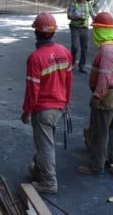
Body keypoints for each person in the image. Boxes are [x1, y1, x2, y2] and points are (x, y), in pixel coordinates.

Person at [22, 12, 73, 194]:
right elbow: (68, 81)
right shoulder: (64, 52)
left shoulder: (35, 58)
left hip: (43, 109)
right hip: (58, 107)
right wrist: (66, 102)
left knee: (45, 146)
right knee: (47, 142)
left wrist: (27, 111)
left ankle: (49, 182)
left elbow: (32, 90)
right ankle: (38, 170)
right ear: (53, 32)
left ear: (36, 32)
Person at [77, 12, 113, 175]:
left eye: (96, 29)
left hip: (106, 95)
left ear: (100, 31)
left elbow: (104, 75)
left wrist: (97, 96)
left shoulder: (106, 50)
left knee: (100, 131)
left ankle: (96, 165)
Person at [67, 0, 94, 73]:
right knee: (75, 47)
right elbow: (69, 15)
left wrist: (99, 20)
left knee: (85, 47)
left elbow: (93, 15)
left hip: (85, 28)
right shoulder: (73, 4)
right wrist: (77, 17)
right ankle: (72, 63)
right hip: (75, 28)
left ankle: (82, 66)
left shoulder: (88, 4)